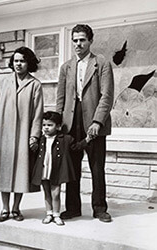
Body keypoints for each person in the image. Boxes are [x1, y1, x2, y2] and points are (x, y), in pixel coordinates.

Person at [56, 24, 114, 222]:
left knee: (97, 167)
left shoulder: (102, 63)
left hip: (93, 121)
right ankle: (72, 208)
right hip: (71, 123)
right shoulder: (66, 67)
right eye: (75, 40)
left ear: (90, 40)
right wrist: (57, 125)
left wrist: (98, 121)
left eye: (82, 40)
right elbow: (60, 99)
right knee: (71, 168)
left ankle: (99, 208)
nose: (78, 44)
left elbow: (106, 96)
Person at [0, 46, 43, 222]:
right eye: (16, 60)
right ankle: (5, 208)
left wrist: (34, 136)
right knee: (4, 171)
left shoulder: (35, 85)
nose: (18, 64)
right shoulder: (2, 82)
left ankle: (16, 208)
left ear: (29, 63)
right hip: (3, 135)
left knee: (20, 172)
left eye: (22, 61)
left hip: (23, 134)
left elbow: (38, 114)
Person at [31, 111, 92, 226]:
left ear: (58, 126)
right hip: (44, 168)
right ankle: (49, 214)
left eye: (50, 125)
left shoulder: (65, 139)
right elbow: (34, 151)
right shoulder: (41, 139)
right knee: (47, 193)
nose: (46, 128)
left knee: (56, 193)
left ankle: (56, 215)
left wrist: (86, 140)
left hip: (56, 170)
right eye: (44, 125)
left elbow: (76, 147)